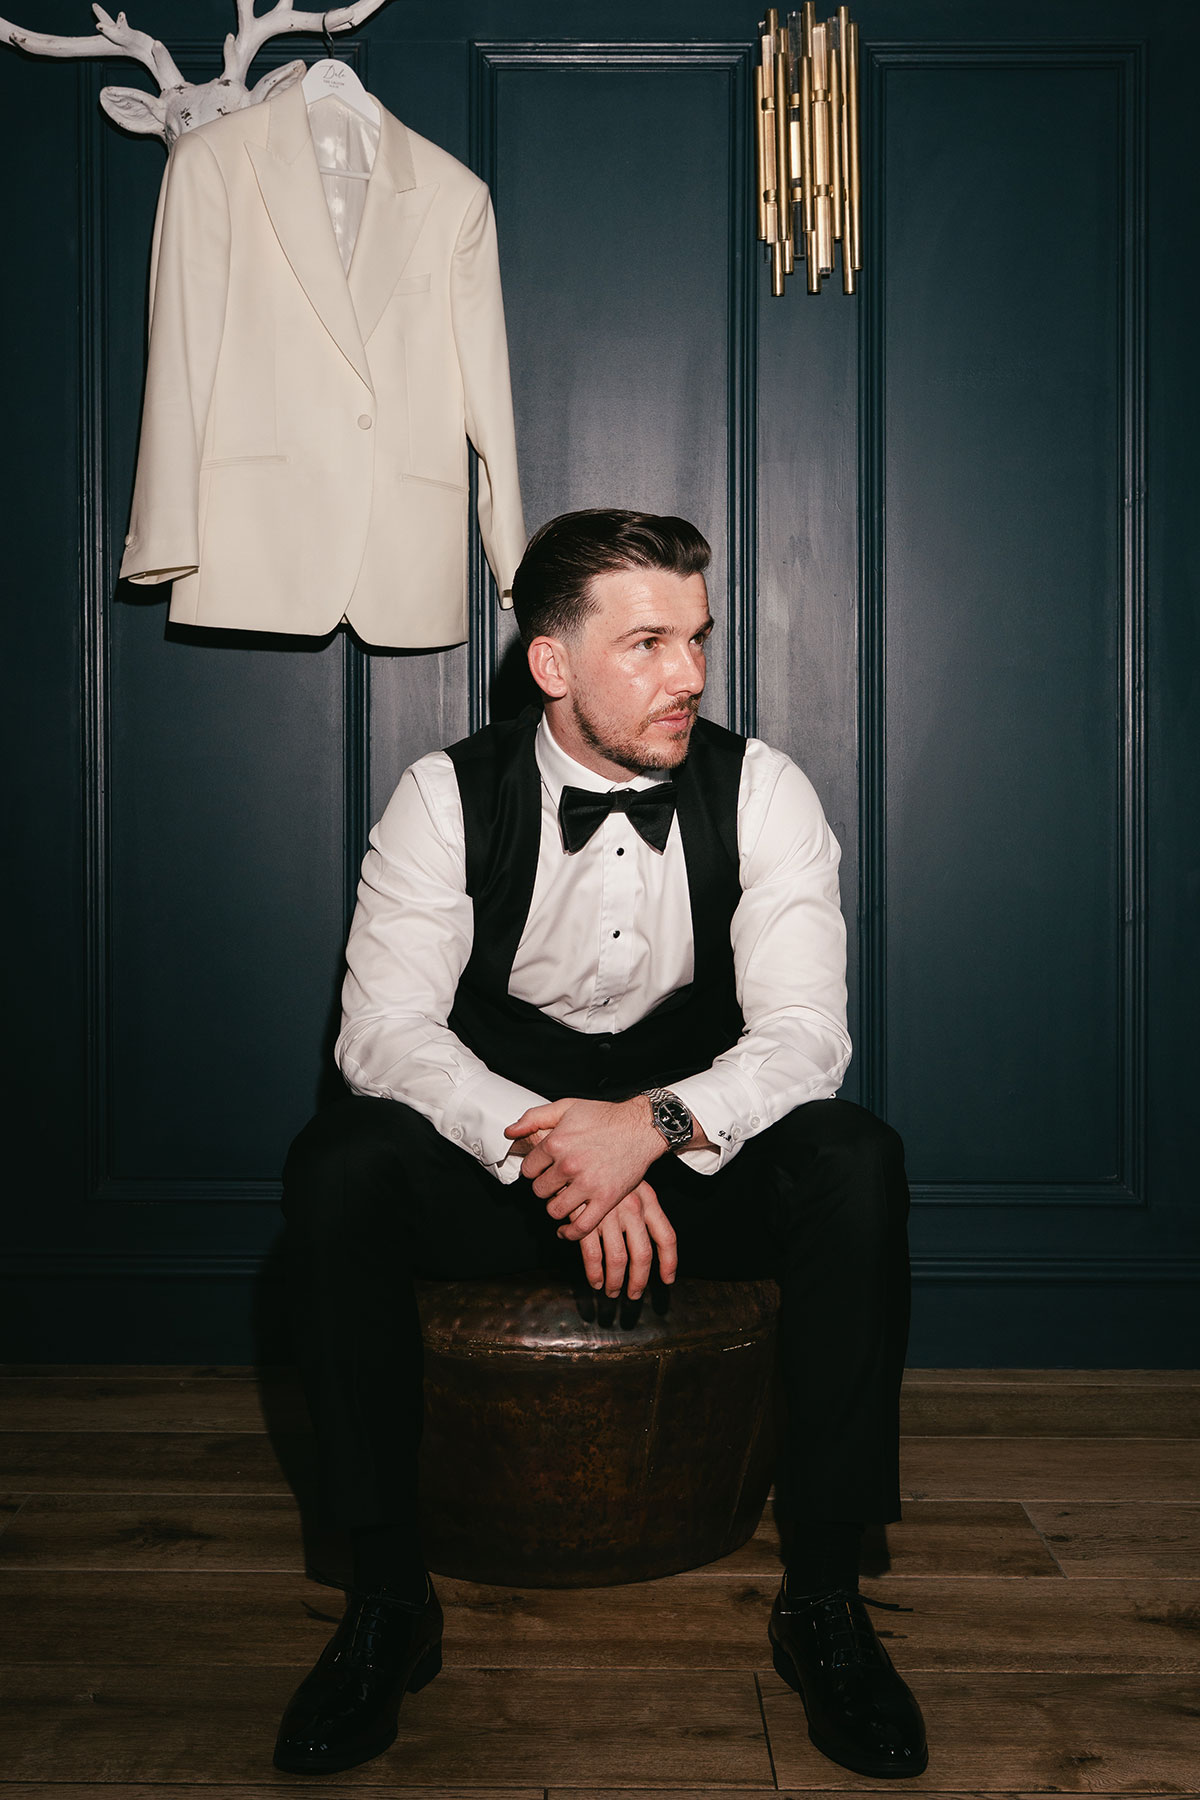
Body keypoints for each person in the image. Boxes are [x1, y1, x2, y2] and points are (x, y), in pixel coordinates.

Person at [274, 508, 927, 1779]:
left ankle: (827, 1599)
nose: (688, 675)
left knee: (856, 1160)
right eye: (647, 643)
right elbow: (385, 1036)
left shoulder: (766, 789)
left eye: (697, 638)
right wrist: (556, 1155)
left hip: (692, 1152)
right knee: (340, 1166)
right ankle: (387, 1604)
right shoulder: (442, 796)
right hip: (506, 1155)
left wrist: (652, 1130)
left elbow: (804, 1037)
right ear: (553, 665)